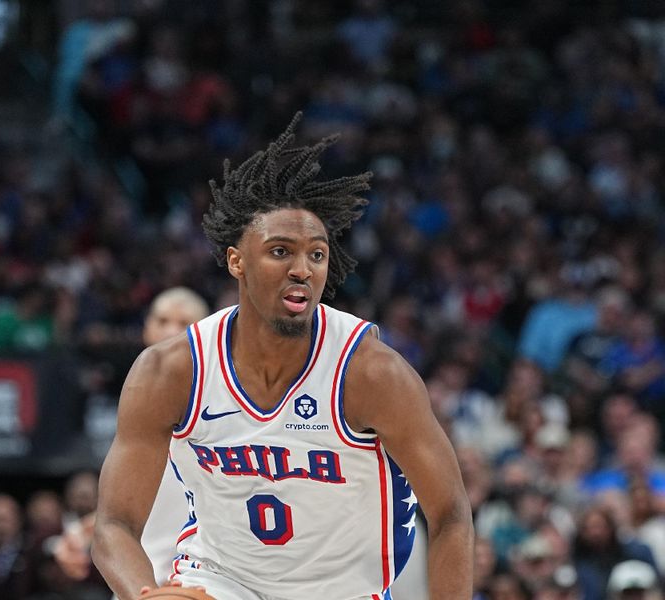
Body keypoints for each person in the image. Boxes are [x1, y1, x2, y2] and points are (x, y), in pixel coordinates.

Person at [91, 113, 474, 599]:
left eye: (316, 254)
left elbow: (451, 514)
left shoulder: (371, 373)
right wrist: (143, 594)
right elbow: (115, 525)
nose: (302, 269)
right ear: (237, 261)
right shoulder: (170, 371)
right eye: (280, 251)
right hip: (219, 582)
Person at [54, 287, 210, 585]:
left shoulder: (222, 407)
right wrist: (88, 529)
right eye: (162, 321)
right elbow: (144, 503)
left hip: (197, 581)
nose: (170, 331)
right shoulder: (137, 404)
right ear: (146, 329)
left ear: (204, 333)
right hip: (137, 579)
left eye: (183, 323)